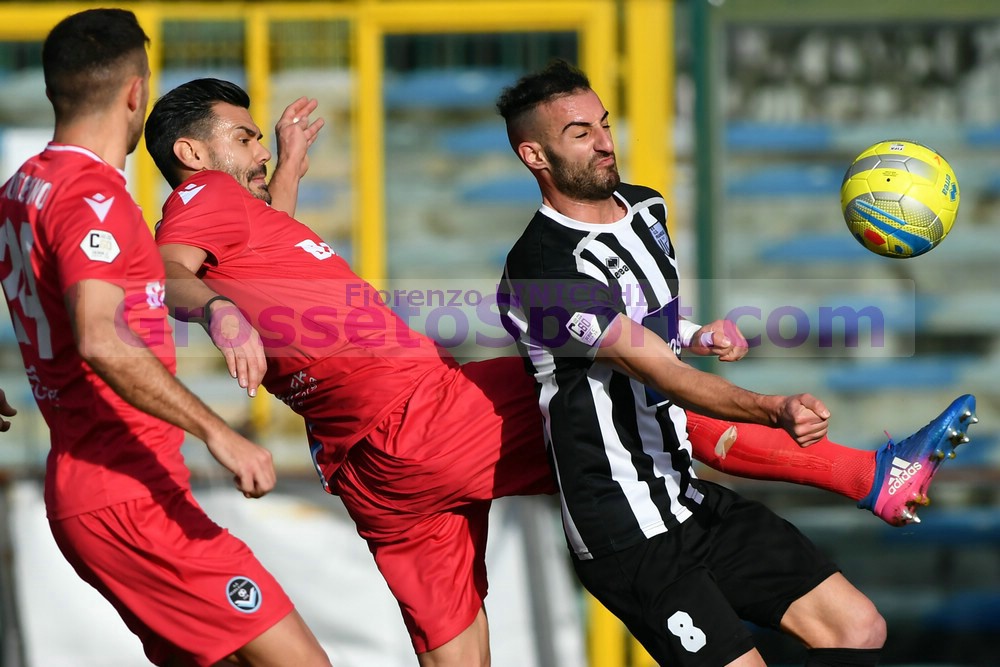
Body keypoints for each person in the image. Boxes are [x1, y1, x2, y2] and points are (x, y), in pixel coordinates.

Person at [143, 78, 975, 666]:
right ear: (190, 152)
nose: (258, 149)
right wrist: (217, 313)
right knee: (630, 396)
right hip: (425, 416)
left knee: (455, 652)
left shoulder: (241, 217)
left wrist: (287, 169)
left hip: (372, 470)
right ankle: (871, 474)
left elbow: (262, 255)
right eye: (244, 137)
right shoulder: (198, 201)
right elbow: (172, 273)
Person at [495, 60, 978, 666]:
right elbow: (659, 372)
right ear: (534, 155)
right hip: (625, 528)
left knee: (856, 628)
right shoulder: (543, 268)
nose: (604, 142)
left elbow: (646, 321)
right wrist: (773, 408)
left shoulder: (644, 209)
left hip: (687, 496)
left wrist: (695, 333)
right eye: (579, 133)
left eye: (604, 124)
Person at [0, 10, 330, 666]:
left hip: (94, 492)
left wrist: (286, 176)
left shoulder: (23, 188)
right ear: (135, 92)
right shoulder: (90, 199)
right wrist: (219, 432)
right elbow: (100, 337)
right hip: (128, 495)